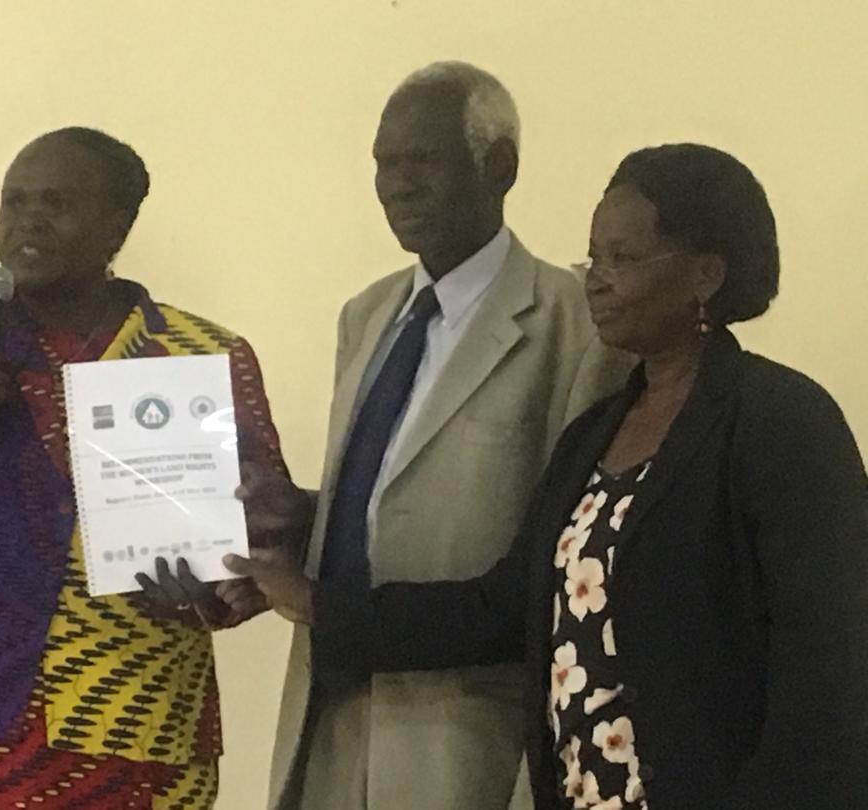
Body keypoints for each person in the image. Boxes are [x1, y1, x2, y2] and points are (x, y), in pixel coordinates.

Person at [229, 143, 868, 809]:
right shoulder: (596, 434)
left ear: (705, 274)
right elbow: (501, 608)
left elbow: (829, 669)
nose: (595, 278)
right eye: (595, 256)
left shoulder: (781, 421)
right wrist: (315, 603)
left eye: (623, 258)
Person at [0, 126, 288, 809]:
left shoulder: (201, 355)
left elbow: (262, 540)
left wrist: (211, 594)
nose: (28, 221)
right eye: (14, 202)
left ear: (118, 225)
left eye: (57, 204)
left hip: (137, 718)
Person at [228, 62, 630, 810]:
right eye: (384, 162)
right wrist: (302, 514)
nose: (398, 184)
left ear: (499, 168)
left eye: (423, 160)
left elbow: (560, 552)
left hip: (466, 726)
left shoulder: (576, 324)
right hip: (332, 711)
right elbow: (399, 498)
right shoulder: (369, 314)